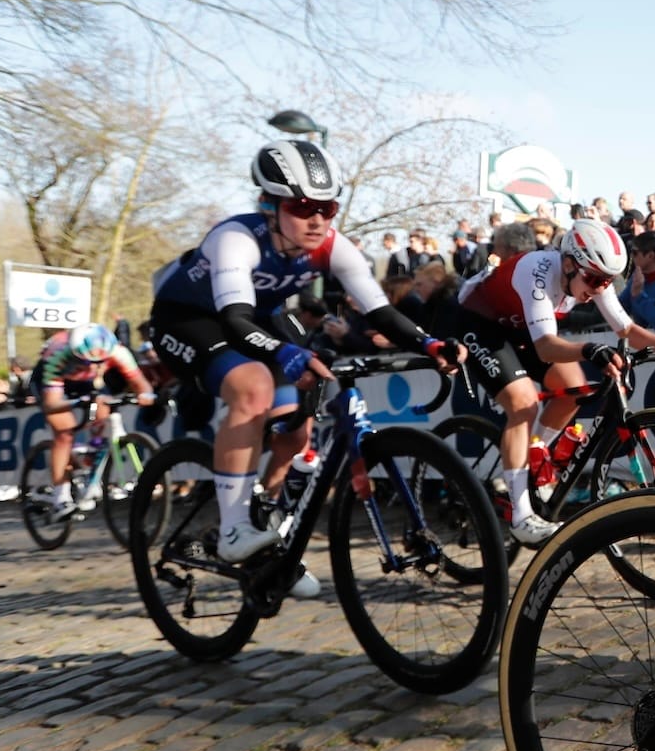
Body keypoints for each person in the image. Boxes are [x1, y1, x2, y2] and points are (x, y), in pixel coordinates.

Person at [150, 138, 457, 594]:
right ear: (270, 205)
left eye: (327, 208)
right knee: (253, 387)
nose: (317, 219)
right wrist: (285, 353)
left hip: (252, 319)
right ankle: (234, 527)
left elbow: (379, 312)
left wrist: (430, 344)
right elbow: (233, 319)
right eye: (301, 206)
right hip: (189, 317)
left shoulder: (331, 245)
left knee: (296, 430)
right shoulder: (235, 237)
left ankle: (265, 528)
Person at [449, 219, 655, 546]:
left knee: (572, 388)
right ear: (568, 263)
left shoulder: (589, 273)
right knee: (523, 404)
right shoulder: (536, 271)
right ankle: (521, 514)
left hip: (517, 328)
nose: (598, 289)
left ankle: (532, 461)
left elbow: (627, 330)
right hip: (476, 322)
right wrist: (589, 348)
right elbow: (545, 347)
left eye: (606, 282)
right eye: (594, 280)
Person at [31, 323, 158, 514]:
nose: (95, 366)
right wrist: (78, 402)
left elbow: (142, 385)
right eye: (87, 361)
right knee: (64, 432)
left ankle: (90, 465)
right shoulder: (57, 356)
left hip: (86, 383)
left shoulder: (117, 352)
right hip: (54, 382)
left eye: (101, 362)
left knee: (102, 411)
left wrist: (146, 396)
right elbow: (52, 404)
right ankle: (60, 496)